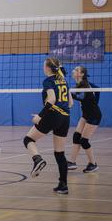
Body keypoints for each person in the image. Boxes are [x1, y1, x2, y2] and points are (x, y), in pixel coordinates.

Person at [23, 57, 73, 194]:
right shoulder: (64, 80)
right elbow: (71, 103)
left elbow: (52, 99)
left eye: (44, 65)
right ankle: (63, 185)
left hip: (53, 115)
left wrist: (40, 116)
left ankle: (37, 159)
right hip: (66, 118)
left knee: (28, 139)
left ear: (48, 68)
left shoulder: (48, 81)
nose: (43, 67)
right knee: (59, 153)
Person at [67, 66, 101, 173]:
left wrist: (69, 92)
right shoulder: (81, 84)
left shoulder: (84, 84)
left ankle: (93, 164)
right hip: (86, 114)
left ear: (81, 74)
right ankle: (72, 162)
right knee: (76, 136)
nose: (73, 71)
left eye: (76, 70)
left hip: (94, 115)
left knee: (84, 141)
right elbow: (98, 89)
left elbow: (81, 97)